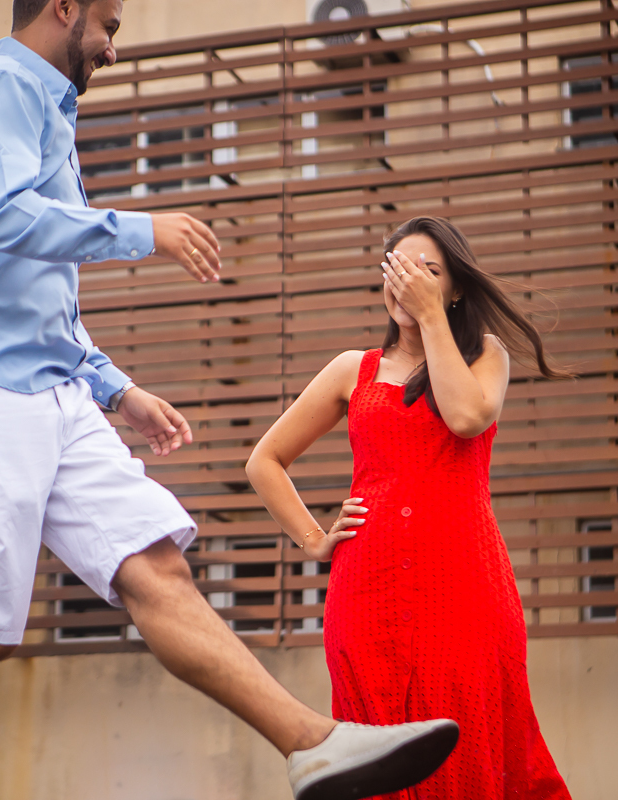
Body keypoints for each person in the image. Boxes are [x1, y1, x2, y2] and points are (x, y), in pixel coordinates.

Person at [0, 3, 461, 798]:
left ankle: (313, 744)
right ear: (63, 6)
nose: (111, 46)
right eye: (108, 24)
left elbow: (37, 296)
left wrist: (116, 388)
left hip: (58, 397)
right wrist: (144, 230)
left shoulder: (52, 120)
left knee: (157, 567)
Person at [246, 216, 573, 799]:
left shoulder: (485, 356)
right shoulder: (355, 369)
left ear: (456, 290)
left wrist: (429, 319)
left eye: (428, 271)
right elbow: (264, 461)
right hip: (366, 593)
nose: (409, 281)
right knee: (376, 753)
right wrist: (314, 539)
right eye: (398, 269)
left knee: (467, 741)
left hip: (464, 587)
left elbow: (466, 417)